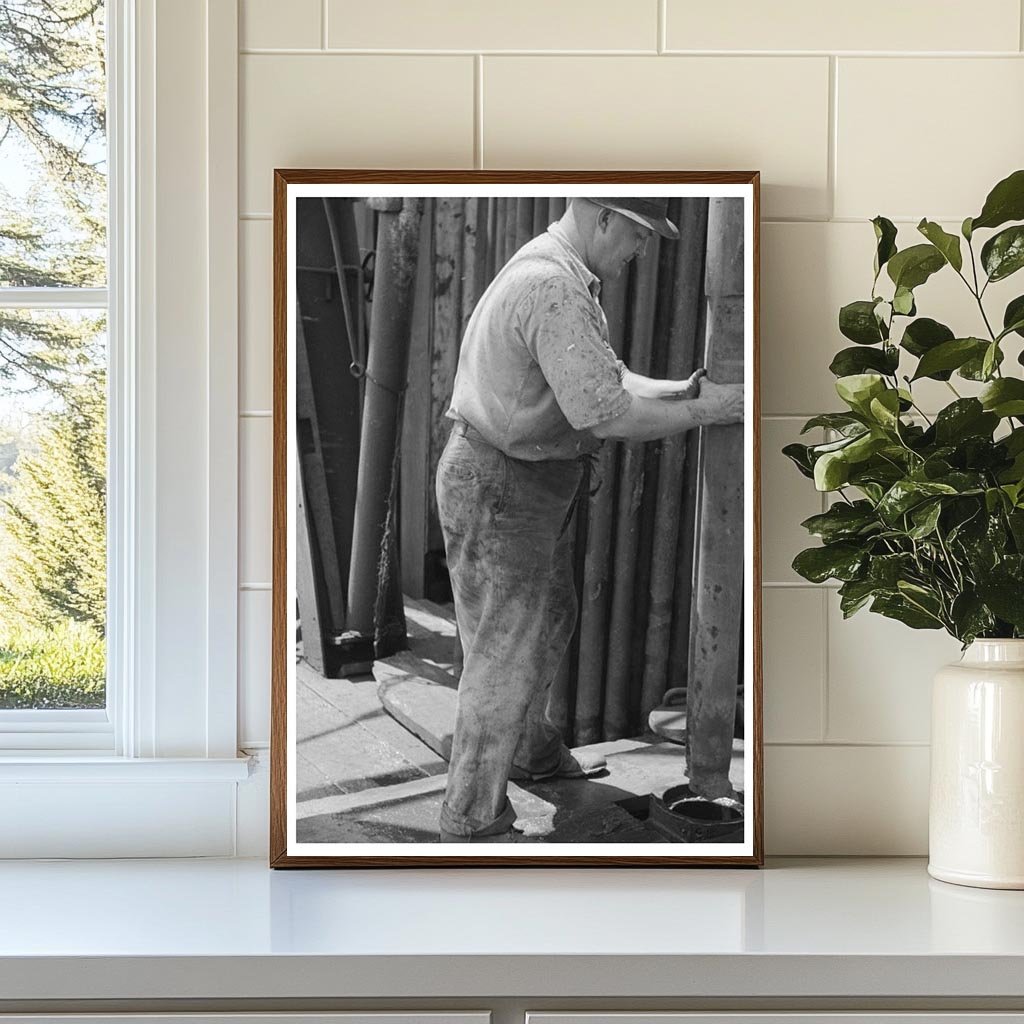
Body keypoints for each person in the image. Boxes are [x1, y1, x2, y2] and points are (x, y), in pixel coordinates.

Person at [436, 197, 744, 842]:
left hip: (514, 478)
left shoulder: (559, 271)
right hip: (504, 483)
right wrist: (711, 410)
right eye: (638, 235)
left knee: (545, 620)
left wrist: (681, 391)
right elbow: (606, 415)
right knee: (505, 650)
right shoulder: (554, 287)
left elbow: (605, 379)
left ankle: (529, 753)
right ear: (604, 218)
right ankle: (471, 816)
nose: (640, 252)